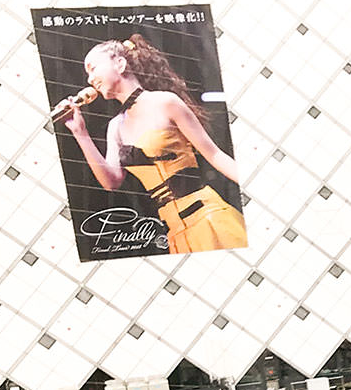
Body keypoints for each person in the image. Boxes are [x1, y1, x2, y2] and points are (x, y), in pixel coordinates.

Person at [53, 34, 247, 254]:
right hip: (174, 233)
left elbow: (214, 155)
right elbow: (111, 181)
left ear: (120, 63)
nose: (89, 79)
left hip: (209, 218)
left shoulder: (165, 101)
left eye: (93, 68)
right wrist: (80, 132)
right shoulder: (115, 127)